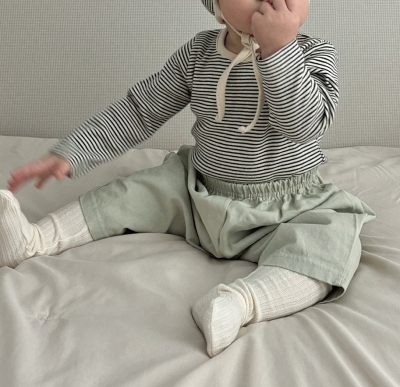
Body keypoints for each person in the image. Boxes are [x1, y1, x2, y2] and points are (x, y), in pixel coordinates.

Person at [0, 0, 375, 357]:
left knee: (330, 244)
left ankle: (239, 303)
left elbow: (305, 126)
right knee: (132, 191)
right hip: (197, 193)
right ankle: (35, 241)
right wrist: (71, 152)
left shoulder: (313, 54)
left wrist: (279, 51)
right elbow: (139, 111)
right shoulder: (199, 53)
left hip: (286, 208)